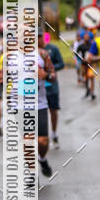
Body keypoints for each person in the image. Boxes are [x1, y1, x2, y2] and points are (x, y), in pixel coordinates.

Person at [37, 30, 56, 177]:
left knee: (43, 141)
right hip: (20, 105)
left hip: (40, 104)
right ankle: (31, 174)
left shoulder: (43, 54)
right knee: (27, 141)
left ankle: (42, 159)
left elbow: (53, 76)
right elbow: (1, 78)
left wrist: (46, 75)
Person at [44, 35, 65, 147]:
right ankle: (42, 136)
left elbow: (61, 64)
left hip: (51, 86)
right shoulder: (30, 50)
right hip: (36, 87)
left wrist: (50, 68)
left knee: (53, 110)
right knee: (39, 112)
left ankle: (54, 133)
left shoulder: (53, 49)